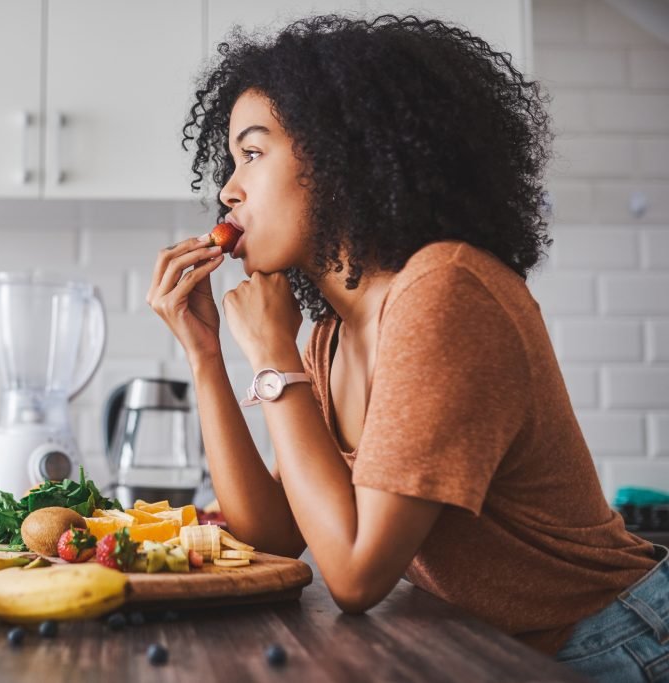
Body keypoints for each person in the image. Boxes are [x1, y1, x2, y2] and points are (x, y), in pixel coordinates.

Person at [147, 14, 666, 682]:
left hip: (620, 645)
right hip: (502, 648)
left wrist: (275, 357)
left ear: (339, 155)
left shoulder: (442, 292)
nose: (228, 188)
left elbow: (356, 574)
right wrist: (207, 356)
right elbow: (273, 536)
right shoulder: (333, 333)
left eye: (253, 153)